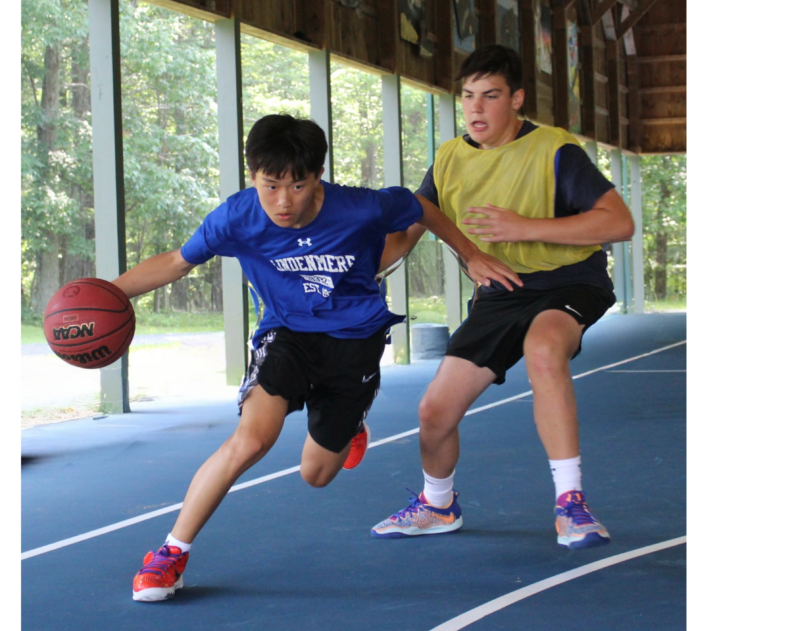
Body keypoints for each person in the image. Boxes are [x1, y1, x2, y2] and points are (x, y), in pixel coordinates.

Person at [113, 114, 520, 601]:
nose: (284, 201)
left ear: (318, 176)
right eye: (270, 186)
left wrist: (470, 254)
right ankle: (170, 555)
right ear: (252, 175)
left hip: (354, 340)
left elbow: (421, 208)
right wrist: (104, 294)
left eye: (298, 185)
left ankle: (352, 422)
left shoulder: (360, 207)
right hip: (286, 334)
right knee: (251, 439)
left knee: (316, 474)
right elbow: (176, 262)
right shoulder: (236, 217)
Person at [370, 45, 634, 549]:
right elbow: (409, 230)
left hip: (569, 280)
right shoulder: (450, 157)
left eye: (490, 96)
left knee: (543, 349)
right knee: (433, 412)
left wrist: (524, 226)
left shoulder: (555, 149)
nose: (476, 107)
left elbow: (619, 223)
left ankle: (571, 506)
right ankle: (437, 504)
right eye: (468, 96)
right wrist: (359, 268)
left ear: (516, 100)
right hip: (500, 292)